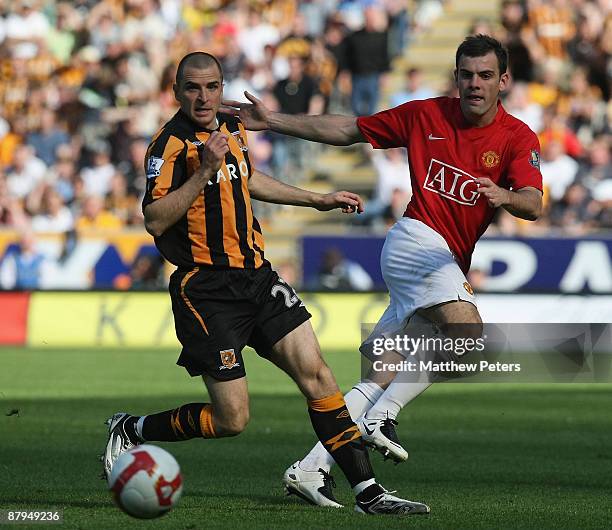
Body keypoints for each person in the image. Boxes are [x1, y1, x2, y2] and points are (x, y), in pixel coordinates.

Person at [101, 51, 430, 516]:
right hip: (206, 289)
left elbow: (248, 180)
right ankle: (133, 428)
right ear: (176, 92)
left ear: (221, 87)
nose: (203, 96)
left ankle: (368, 493)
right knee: (232, 419)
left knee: (318, 375)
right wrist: (202, 171)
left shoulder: (232, 127)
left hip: (258, 278)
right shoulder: (169, 146)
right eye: (192, 87)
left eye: (212, 86)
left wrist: (317, 200)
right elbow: (155, 220)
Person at [223, 34, 543, 506]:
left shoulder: (518, 137)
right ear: (456, 77)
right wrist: (273, 121)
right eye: (467, 75)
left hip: (443, 257)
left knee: (381, 374)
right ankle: (382, 418)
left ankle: (311, 467)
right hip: (416, 239)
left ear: (504, 81)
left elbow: (534, 204)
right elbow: (347, 128)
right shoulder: (425, 115)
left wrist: (507, 196)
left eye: (485, 75)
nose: (475, 84)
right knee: (470, 341)